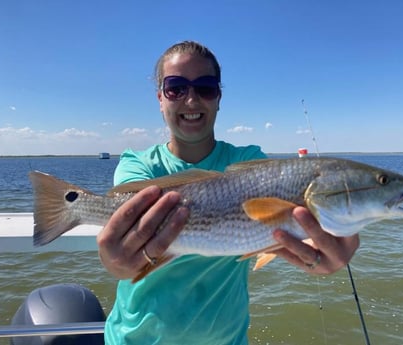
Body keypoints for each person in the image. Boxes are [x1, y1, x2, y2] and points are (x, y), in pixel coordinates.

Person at [97, 41, 359, 345]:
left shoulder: (249, 162)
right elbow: (124, 224)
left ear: (218, 97)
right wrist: (116, 262)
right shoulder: (138, 164)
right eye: (176, 88)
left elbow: (288, 224)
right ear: (160, 98)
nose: (191, 99)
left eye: (205, 87)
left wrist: (327, 249)